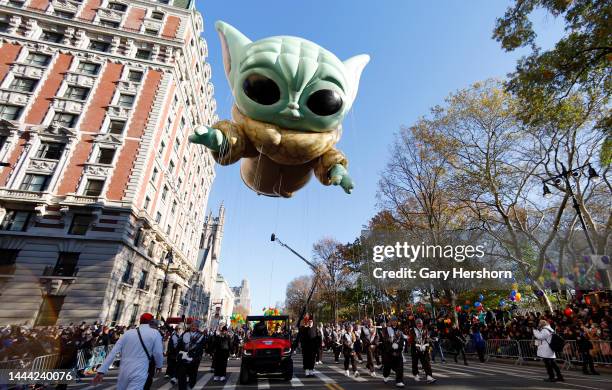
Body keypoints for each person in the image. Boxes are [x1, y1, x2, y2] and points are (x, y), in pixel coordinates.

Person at [94, 313, 163, 390]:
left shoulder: (128, 333)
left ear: (140, 321)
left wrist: (102, 371)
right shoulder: (155, 333)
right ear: (151, 322)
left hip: (124, 369)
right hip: (140, 369)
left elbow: (113, 352)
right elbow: (158, 353)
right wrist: (159, 365)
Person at [176, 320, 207, 390]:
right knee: (181, 374)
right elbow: (179, 345)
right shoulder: (184, 334)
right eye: (192, 325)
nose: (193, 327)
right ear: (190, 326)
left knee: (193, 374)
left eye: (195, 326)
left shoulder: (201, 336)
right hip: (184, 358)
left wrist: (197, 357)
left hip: (194, 358)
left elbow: (202, 347)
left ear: (197, 327)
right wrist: (179, 354)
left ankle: (191, 385)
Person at [381, 316, 405, 388]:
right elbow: (384, 340)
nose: (394, 322)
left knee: (400, 366)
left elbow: (402, 340)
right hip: (389, 352)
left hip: (398, 351)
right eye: (393, 320)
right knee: (387, 367)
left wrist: (399, 349)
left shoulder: (400, 329)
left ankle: (399, 381)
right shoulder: (386, 329)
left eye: (395, 320)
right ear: (390, 322)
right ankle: (386, 375)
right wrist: (391, 350)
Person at [409, 319, 435, 383]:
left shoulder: (425, 330)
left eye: (421, 323)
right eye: (418, 323)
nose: (420, 324)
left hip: (423, 347)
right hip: (415, 348)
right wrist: (415, 341)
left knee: (426, 362)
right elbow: (410, 340)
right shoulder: (412, 330)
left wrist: (429, 344)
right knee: (415, 362)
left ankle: (429, 376)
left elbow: (427, 338)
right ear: (416, 324)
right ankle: (416, 374)